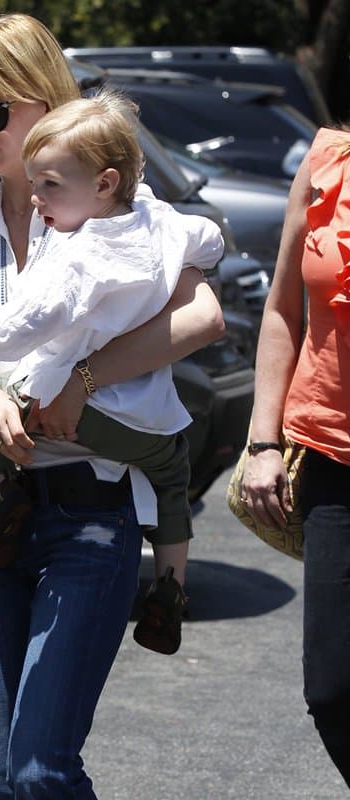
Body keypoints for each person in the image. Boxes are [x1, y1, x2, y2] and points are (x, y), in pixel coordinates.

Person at [0, 13, 224, 799]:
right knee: (1, 771)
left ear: (45, 97)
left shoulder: (119, 213)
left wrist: (79, 382)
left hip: (92, 515)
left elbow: (202, 319)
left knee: (42, 769)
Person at [240, 126, 350, 787]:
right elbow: (282, 309)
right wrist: (263, 441)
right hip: (333, 460)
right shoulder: (326, 161)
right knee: (333, 687)